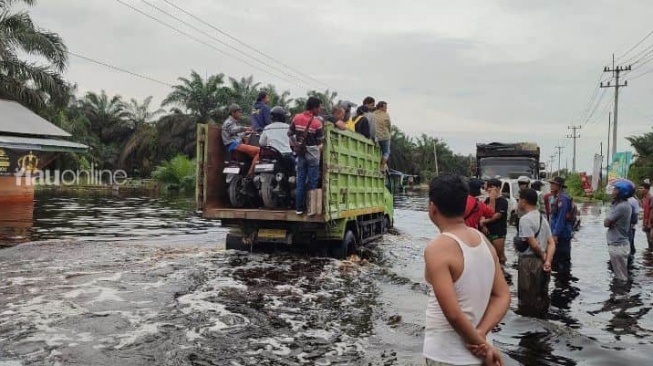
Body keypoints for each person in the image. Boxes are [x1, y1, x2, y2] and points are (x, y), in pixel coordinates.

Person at [423, 173, 510, 366]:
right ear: (465, 205)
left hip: (446, 355)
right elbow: (502, 295)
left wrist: (478, 341)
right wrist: (481, 336)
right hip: (480, 354)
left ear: (432, 208)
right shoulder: (483, 241)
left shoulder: (437, 247)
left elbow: (453, 313)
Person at [516, 188, 556, 318]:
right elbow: (551, 242)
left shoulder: (525, 220)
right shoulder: (542, 218)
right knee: (542, 294)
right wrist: (548, 261)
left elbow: (533, 244)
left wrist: (544, 257)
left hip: (529, 263)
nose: (517, 202)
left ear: (524, 201)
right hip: (542, 262)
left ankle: (529, 328)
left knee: (527, 297)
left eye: (518, 199)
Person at [288, 97, 323, 215]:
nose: (320, 110)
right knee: (313, 182)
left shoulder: (297, 118)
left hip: (301, 153)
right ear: (314, 108)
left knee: (301, 180)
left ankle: (299, 209)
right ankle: (310, 209)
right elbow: (319, 142)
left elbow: (289, 134)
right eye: (319, 107)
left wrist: (296, 145)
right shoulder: (317, 123)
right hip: (313, 154)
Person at [604, 180, 635, 282]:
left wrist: (610, 219)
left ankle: (621, 296)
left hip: (618, 246)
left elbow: (606, 223)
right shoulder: (624, 205)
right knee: (619, 274)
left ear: (622, 192)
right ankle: (620, 295)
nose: (613, 191)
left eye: (616, 189)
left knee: (620, 277)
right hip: (619, 244)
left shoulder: (621, 206)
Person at [222, 103, 260, 176]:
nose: (240, 114)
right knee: (259, 151)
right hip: (234, 145)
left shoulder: (232, 123)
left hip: (233, 145)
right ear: (233, 113)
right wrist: (245, 128)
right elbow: (233, 130)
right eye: (238, 112)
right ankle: (250, 173)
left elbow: (235, 134)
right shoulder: (228, 122)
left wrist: (246, 133)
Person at [480, 179, 509, 265]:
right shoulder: (487, 200)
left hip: (499, 231)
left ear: (498, 188)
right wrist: (483, 225)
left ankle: (503, 272)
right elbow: (483, 213)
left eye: (491, 187)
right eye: (488, 187)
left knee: (500, 255)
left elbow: (497, 216)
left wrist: (484, 222)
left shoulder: (503, 201)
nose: (489, 189)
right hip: (487, 230)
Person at [548, 177, 573, 272]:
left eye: (553, 184)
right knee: (556, 260)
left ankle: (564, 281)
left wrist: (555, 234)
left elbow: (561, 218)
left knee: (562, 260)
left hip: (562, 235)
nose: (551, 186)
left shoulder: (563, 199)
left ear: (559, 186)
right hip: (557, 234)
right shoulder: (555, 198)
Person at [374, 101, 392, 171]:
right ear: (381, 107)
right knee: (386, 152)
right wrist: (390, 134)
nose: (386, 109)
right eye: (385, 107)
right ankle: (382, 166)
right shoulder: (386, 115)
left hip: (376, 137)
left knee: (379, 150)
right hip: (384, 137)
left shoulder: (373, 114)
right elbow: (389, 126)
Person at [639, 182, 653, 248]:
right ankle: (649, 257)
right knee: (649, 242)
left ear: (647, 189)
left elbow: (652, 211)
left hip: (651, 223)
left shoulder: (651, 198)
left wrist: (649, 223)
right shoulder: (643, 199)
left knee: (651, 239)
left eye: (642, 188)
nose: (640, 190)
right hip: (646, 222)